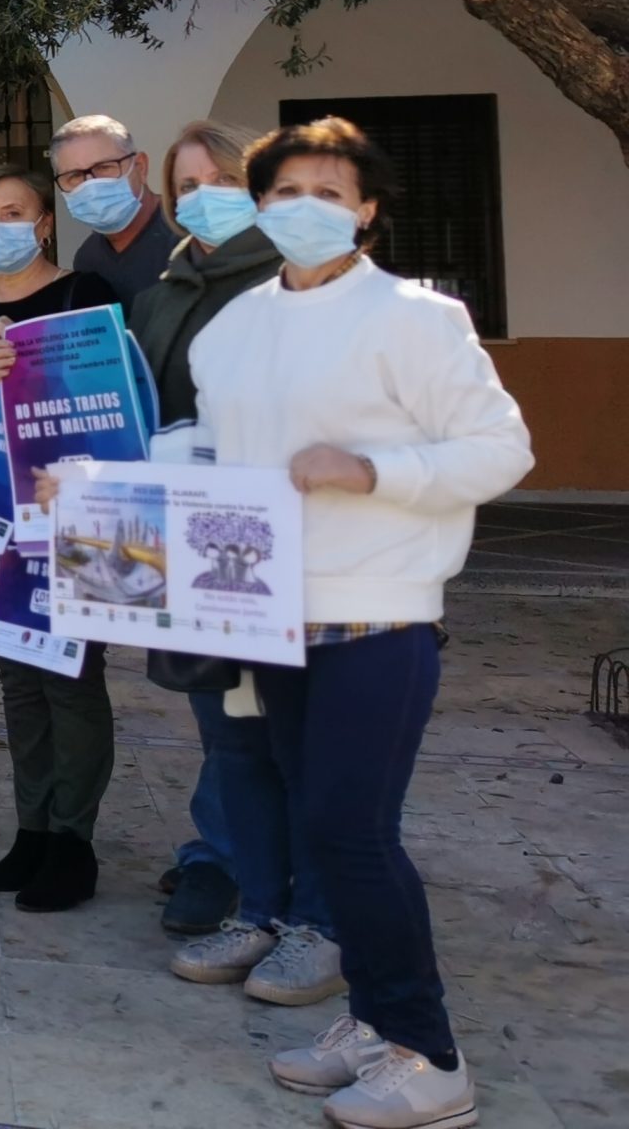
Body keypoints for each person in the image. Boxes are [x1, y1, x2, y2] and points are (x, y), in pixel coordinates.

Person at [187, 118, 531, 1129]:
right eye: (286, 188)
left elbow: (498, 449)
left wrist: (371, 470)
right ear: (259, 203)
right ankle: (374, 1025)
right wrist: (96, 483)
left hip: (377, 614)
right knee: (320, 823)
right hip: (270, 613)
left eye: (330, 192)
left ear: (368, 210)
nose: (305, 206)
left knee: (351, 829)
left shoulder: (415, 319)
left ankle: (429, 1057)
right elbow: (209, 452)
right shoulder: (231, 327)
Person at [133, 123, 341, 1006]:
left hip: (301, 547)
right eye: (189, 183)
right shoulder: (164, 292)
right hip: (199, 551)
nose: (203, 193)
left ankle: (320, 924)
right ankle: (257, 906)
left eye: (223, 177)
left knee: (314, 749)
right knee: (233, 737)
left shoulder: (299, 285)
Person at [0, 163, 117, 911]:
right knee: (16, 675)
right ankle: (31, 830)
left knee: (70, 676)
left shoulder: (85, 296)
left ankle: (75, 840)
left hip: (70, 514)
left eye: (15, 212)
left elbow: (106, 400)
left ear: (44, 221)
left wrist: (26, 365)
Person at [54, 114, 177, 299]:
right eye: (75, 176)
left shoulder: (190, 232)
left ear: (140, 167)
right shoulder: (88, 259)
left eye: (104, 167)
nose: (91, 185)